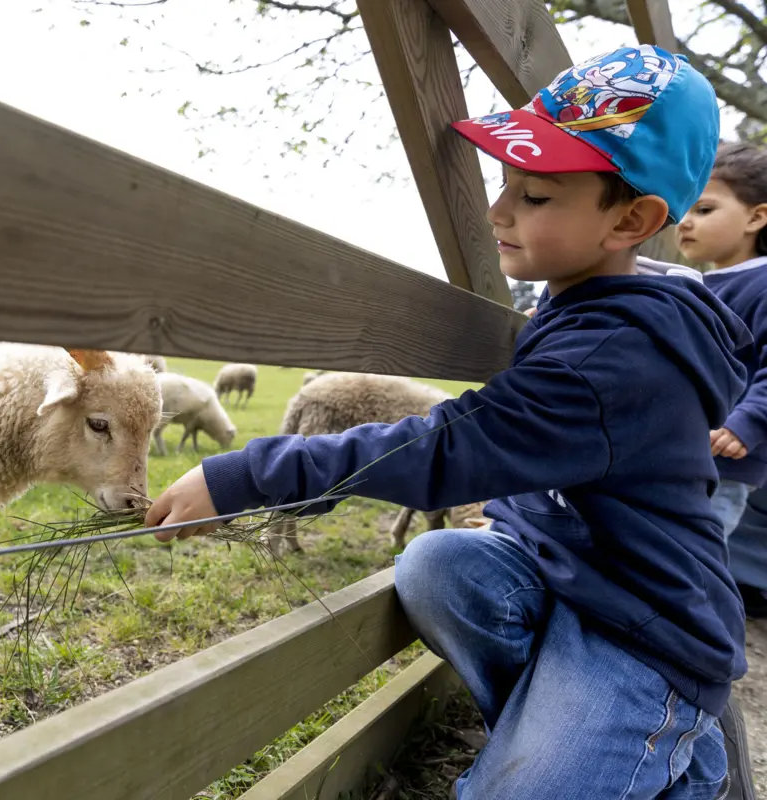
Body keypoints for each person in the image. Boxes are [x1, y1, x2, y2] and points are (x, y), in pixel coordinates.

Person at [145, 45, 754, 798]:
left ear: (631, 219)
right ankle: (576, 732)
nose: (498, 209)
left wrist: (247, 476)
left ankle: (662, 755)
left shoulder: (615, 355)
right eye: (507, 183)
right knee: (438, 566)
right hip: (575, 575)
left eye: (535, 197)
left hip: (645, 635)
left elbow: (448, 445)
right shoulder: (587, 302)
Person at [676, 141, 767, 616]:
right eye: (682, 207)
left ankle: (698, 641)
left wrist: (748, 421)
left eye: (704, 208)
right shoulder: (691, 286)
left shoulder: (763, 284)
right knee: (661, 551)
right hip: (676, 453)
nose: (684, 221)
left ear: (756, 218)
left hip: (725, 461)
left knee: (695, 559)